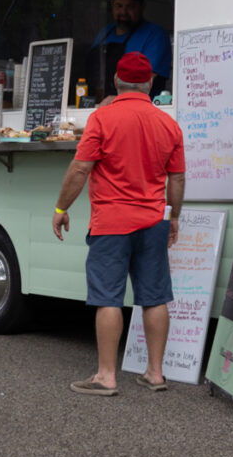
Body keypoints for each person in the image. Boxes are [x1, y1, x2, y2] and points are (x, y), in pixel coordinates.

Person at [52, 51, 185, 396]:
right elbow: (178, 179)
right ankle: (155, 374)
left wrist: (61, 207)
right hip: (153, 220)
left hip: (111, 221)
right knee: (155, 297)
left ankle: (106, 377)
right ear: (151, 83)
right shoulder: (169, 124)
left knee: (108, 297)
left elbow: (80, 168)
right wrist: (175, 217)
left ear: (115, 81)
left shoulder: (102, 119)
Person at [86, 0, 172, 100]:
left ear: (142, 7)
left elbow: (146, 80)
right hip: (96, 105)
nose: (123, 12)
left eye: (130, 6)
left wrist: (118, 100)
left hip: (138, 108)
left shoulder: (155, 34)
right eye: (119, 6)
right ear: (112, 5)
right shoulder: (104, 33)